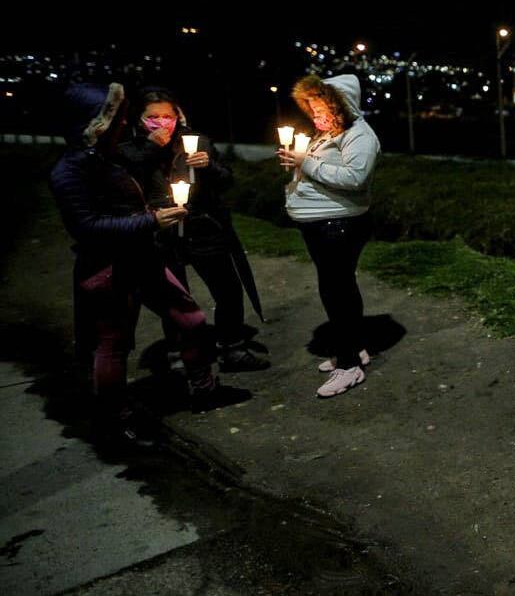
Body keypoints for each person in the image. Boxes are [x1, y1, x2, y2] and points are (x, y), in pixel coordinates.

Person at [50, 82, 249, 449]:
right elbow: (88, 227)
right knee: (114, 342)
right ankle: (115, 421)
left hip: (143, 255)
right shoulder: (72, 171)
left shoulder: (102, 157)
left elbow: (220, 177)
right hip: (109, 267)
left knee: (192, 320)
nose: (122, 125)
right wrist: (151, 221)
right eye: (115, 120)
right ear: (93, 124)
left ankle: (204, 390)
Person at [118, 87, 268, 372]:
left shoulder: (195, 141)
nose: (162, 122)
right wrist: (150, 147)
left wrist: (209, 166)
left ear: (178, 116)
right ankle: (180, 351)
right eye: (153, 117)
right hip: (159, 231)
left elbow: (226, 179)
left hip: (203, 226)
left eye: (167, 116)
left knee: (227, 289)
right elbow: (125, 178)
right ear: (140, 119)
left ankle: (232, 348)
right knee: (174, 296)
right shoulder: (130, 148)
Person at [279, 74, 381, 398]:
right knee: (337, 288)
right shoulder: (329, 132)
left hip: (339, 225)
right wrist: (296, 162)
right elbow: (316, 169)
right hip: (322, 223)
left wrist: (305, 162)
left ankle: (349, 366)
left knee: (337, 291)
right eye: (311, 107)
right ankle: (351, 347)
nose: (316, 114)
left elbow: (354, 177)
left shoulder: (360, 136)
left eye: (322, 106)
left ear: (342, 105)